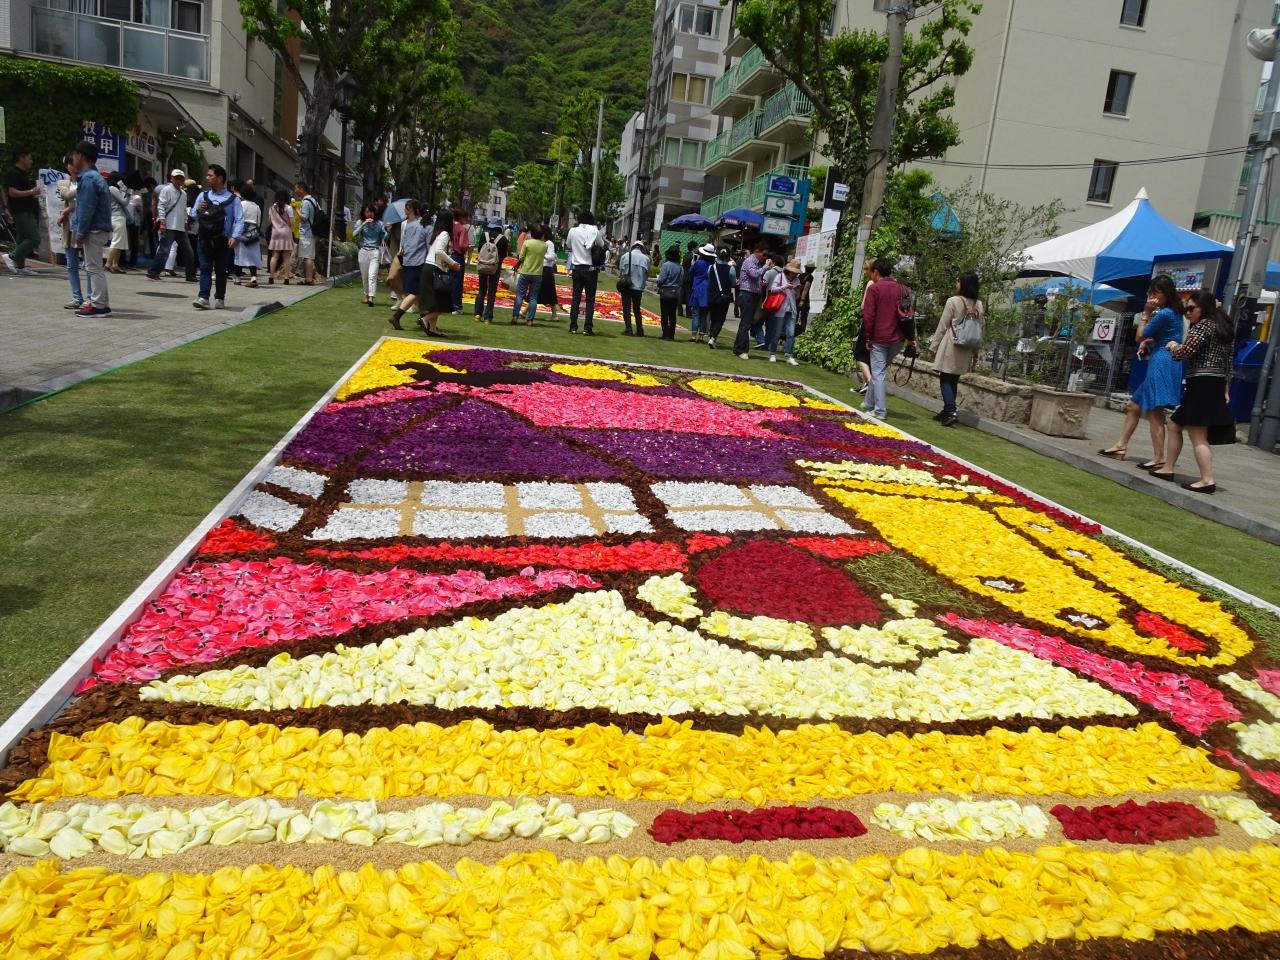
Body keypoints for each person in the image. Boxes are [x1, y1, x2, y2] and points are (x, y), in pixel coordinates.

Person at [1098, 275, 1185, 471]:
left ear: (1166, 293)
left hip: (1161, 362)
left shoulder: (1163, 314)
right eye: (1151, 293)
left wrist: (1146, 313)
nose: (1152, 297)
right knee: (1133, 405)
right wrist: (1151, 341)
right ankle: (1121, 445)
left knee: (1154, 411)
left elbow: (1139, 336)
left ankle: (1159, 457)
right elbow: (1172, 336)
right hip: (1167, 360)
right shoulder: (1175, 313)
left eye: (1156, 293)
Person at [1156, 289, 1236, 494]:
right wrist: (1226, 387)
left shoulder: (1203, 326)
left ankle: (1207, 479)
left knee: (1198, 434)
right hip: (1214, 383)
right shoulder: (1224, 328)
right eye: (1186, 309)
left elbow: (1184, 353)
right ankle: (1168, 468)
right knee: (1174, 424)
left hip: (1201, 382)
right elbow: (1228, 363)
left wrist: (1173, 346)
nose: (1188, 313)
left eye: (1191, 308)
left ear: (1204, 308)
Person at [929, 272, 984, 426]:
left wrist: (933, 346)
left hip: (951, 345)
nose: (956, 284)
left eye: (958, 281)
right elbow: (979, 329)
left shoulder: (953, 301)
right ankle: (947, 410)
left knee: (946, 379)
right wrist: (976, 351)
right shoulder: (978, 304)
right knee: (953, 379)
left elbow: (943, 325)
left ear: (964, 284)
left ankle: (951, 410)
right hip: (966, 347)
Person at [860, 257, 912, 420]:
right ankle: (868, 402)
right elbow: (909, 315)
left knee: (878, 373)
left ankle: (880, 410)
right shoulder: (903, 289)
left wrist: (868, 338)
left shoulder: (874, 289)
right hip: (898, 338)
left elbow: (869, 316)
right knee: (879, 371)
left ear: (876, 272)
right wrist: (911, 338)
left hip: (880, 337)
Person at [191, 164, 244, 310]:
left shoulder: (233, 199)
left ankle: (220, 298)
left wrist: (235, 236)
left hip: (223, 240)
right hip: (204, 238)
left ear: (220, 178)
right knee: (205, 268)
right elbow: (194, 215)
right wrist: (198, 209)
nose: (207, 178)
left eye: (210, 175)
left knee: (221, 270)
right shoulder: (203, 196)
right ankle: (203, 298)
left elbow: (239, 219)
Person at [69, 140, 112, 317]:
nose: (73, 158)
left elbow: (86, 209)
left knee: (93, 268)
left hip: (93, 229)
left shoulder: (88, 178)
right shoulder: (95, 177)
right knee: (95, 268)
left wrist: (80, 233)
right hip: (99, 228)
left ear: (81, 156)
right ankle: (102, 304)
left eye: (75, 154)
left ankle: (98, 305)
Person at [55, 155, 91, 309]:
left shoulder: (86, 181)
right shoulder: (64, 183)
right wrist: (69, 209)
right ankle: (77, 297)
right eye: (70, 164)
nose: (74, 166)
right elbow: (66, 195)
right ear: (67, 166)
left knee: (89, 265)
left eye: (75, 163)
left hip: (84, 228)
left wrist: (67, 209)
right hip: (69, 228)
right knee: (71, 265)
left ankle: (90, 298)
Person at [148, 169, 195, 283]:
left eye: (181, 178)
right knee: (164, 251)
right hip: (169, 226)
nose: (179, 180)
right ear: (171, 179)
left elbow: (184, 210)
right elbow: (161, 206)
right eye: (176, 178)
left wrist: (185, 222)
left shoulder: (183, 193)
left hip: (180, 227)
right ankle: (153, 272)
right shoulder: (166, 190)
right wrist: (162, 221)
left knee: (189, 252)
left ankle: (190, 275)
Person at [2, 146, 42, 276]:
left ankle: (20, 266)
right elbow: (12, 192)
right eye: (29, 158)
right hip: (21, 211)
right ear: (21, 158)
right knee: (34, 238)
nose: (31, 161)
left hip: (27, 209)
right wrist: (31, 191)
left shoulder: (23, 174)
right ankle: (11, 256)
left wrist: (33, 194)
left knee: (22, 238)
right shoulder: (13, 173)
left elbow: (24, 192)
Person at [388, 200, 425, 330]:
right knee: (416, 291)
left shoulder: (417, 223)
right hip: (413, 260)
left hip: (412, 259)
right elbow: (404, 242)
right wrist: (401, 255)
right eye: (406, 208)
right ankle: (398, 316)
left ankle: (423, 319)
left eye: (407, 208)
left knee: (418, 291)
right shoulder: (407, 224)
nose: (405, 210)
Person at [566, 211, 603, 335]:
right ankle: (587, 328)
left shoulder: (573, 231)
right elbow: (601, 244)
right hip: (590, 269)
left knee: (576, 298)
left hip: (577, 268)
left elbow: (568, 245)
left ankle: (573, 326)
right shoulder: (594, 230)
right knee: (590, 300)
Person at [732, 244, 769, 358]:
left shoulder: (757, 264)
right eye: (764, 254)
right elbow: (754, 274)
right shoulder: (749, 261)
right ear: (757, 251)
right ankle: (742, 350)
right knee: (746, 323)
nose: (765, 257)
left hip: (753, 295)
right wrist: (765, 267)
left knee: (746, 323)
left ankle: (738, 348)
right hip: (747, 294)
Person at [764, 259, 803, 365]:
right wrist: (785, 286)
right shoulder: (780, 276)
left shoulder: (797, 280)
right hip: (780, 308)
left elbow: (796, 297)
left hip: (791, 309)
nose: (795, 274)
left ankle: (789, 355)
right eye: (793, 272)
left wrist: (797, 291)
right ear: (789, 271)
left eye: (796, 273)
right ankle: (772, 353)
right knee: (776, 332)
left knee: (790, 333)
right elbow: (772, 289)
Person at [473, 217, 509, 322]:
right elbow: (503, 255)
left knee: (482, 290)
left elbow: (479, 250)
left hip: (483, 265)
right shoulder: (503, 239)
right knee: (492, 292)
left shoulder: (484, 235)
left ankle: (477, 314)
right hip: (495, 267)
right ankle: (488, 317)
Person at [512, 223, 547, 325]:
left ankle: (515, 316)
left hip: (525, 271)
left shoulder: (527, 243)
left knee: (520, 295)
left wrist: (517, 265)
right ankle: (530, 320)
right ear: (541, 235)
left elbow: (521, 257)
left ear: (532, 234)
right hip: (537, 273)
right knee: (533, 297)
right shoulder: (544, 245)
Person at [353, 203, 388, 306]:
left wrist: (388, 231)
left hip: (375, 251)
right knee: (365, 276)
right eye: (367, 212)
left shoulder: (379, 224)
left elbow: (384, 238)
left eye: (371, 212)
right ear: (364, 213)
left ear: (374, 213)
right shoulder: (360, 222)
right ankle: (366, 295)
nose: (369, 214)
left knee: (372, 275)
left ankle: (371, 297)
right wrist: (363, 224)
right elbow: (354, 234)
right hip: (363, 251)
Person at [230, 179, 262, 288]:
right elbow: (258, 221)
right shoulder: (256, 206)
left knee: (239, 255)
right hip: (253, 232)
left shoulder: (240, 204)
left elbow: (236, 218)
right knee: (253, 255)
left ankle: (238, 278)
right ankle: (253, 277)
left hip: (241, 231)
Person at [618, 240, 650, 336]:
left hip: (627, 285)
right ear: (642, 248)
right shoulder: (646, 259)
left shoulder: (626, 256)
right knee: (637, 309)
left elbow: (621, 271)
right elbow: (647, 274)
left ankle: (628, 329)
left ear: (633, 247)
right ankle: (639, 330)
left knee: (626, 308)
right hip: (638, 287)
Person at [706, 247, 736, 349]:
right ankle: (713, 338)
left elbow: (709, 278)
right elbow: (733, 283)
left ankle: (711, 337)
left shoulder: (711, 267)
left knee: (713, 318)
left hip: (712, 295)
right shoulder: (731, 269)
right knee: (720, 319)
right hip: (724, 297)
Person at [687, 242, 714, 343]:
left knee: (695, 313)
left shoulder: (698, 263)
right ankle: (702, 336)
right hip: (708, 289)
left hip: (698, 288)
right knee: (704, 314)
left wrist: (693, 263)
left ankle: (693, 335)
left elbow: (691, 271)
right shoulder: (713, 264)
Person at [267, 190, 295, 285]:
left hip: (275, 232)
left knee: (274, 255)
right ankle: (286, 278)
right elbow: (292, 222)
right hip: (286, 233)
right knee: (286, 257)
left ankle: (271, 277)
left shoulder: (272, 208)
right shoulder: (288, 208)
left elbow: (269, 221)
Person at [656, 245, 683, 341]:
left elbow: (661, 279)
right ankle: (671, 334)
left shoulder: (666, 265)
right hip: (675, 292)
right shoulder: (680, 267)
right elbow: (681, 280)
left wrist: (659, 284)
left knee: (664, 314)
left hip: (666, 291)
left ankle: (665, 333)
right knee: (672, 315)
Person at [293, 181, 318, 284]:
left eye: (296, 189)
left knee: (307, 257)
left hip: (307, 233)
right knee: (309, 256)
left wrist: (296, 209)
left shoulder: (306, 202)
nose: (295, 191)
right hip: (312, 232)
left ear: (301, 189)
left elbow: (304, 217)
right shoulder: (313, 200)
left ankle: (309, 279)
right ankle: (309, 278)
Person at [105, 172, 130, 274]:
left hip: (114, 217)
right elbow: (124, 202)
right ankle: (108, 263)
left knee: (120, 243)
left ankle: (115, 265)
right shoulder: (113, 188)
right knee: (116, 242)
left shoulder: (108, 188)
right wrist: (128, 192)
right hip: (117, 217)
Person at [449, 214, 471, 312]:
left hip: (450, 255)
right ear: (461, 218)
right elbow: (462, 245)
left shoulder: (451, 227)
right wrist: (467, 246)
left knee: (450, 280)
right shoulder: (462, 229)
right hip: (458, 256)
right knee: (457, 282)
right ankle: (456, 305)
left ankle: (449, 303)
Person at [541, 228, 563, 321]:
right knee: (548, 293)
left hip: (547, 269)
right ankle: (554, 315)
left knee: (538, 291)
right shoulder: (544, 243)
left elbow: (552, 256)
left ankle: (524, 311)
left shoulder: (549, 243)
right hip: (544, 269)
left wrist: (542, 255)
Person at [680, 241, 697, 318]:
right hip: (690, 277)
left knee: (682, 294)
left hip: (684, 276)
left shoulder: (685, 255)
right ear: (693, 248)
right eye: (696, 247)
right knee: (688, 295)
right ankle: (689, 313)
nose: (697, 249)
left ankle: (680, 311)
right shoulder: (694, 256)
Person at [796, 264, 815, 335]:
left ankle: (793, 331)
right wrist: (802, 300)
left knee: (795, 316)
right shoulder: (810, 277)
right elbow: (806, 289)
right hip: (804, 299)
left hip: (796, 298)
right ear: (812, 269)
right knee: (803, 317)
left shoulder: (800, 275)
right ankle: (802, 333)